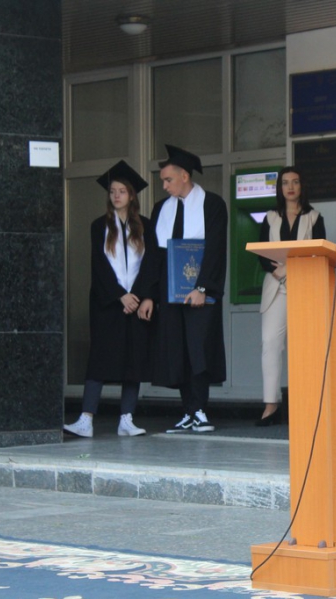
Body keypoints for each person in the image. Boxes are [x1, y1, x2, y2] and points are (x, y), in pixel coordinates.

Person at [64, 161, 156, 438]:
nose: (116, 196)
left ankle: (126, 419)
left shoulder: (146, 226)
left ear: (132, 195)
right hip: (108, 304)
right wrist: (120, 295)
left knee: (133, 362)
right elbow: (99, 265)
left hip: (136, 303)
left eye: (122, 191)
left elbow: (152, 264)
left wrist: (140, 296)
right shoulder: (99, 226)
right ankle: (86, 419)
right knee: (99, 359)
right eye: (113, 191)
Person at [150, 145, 227, 433]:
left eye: (168, 180)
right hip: (170, 294)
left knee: (199, 350)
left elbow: (216, 250)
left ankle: (200, 409)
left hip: (200, 293)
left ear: (184, 176)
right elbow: (154, 256)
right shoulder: (161, 209)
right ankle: (188, 411)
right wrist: (149, 294)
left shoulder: (212, 204)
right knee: (178, 351)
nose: (165, 186)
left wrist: (202, 287)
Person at [257, 167, 326, 426]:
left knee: (305, 347)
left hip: (304, 287)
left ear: (302, 186)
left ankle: (307, 404)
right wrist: (278, 270)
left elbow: (318, 252)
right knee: (270, 344)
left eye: (295, 182)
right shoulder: (270, 217)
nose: (290, 187)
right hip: (275, 285)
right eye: (285, 182)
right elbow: (261, 251)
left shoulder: (314, 217)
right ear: (279, 188)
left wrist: (289, 268)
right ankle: (271, 405)